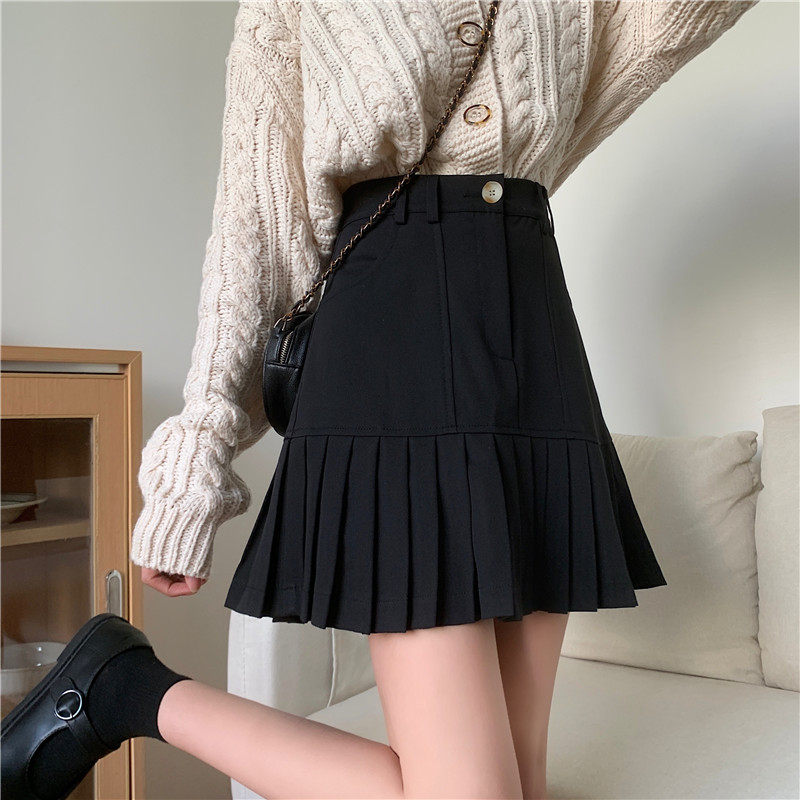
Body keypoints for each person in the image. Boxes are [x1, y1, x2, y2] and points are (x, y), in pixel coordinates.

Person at [2, 2, 758, 798]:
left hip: (535, 329)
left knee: (521, 783)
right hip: (392, 334)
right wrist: (198, 455)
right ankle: (125, 691)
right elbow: (256, 222)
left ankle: (119, 680)